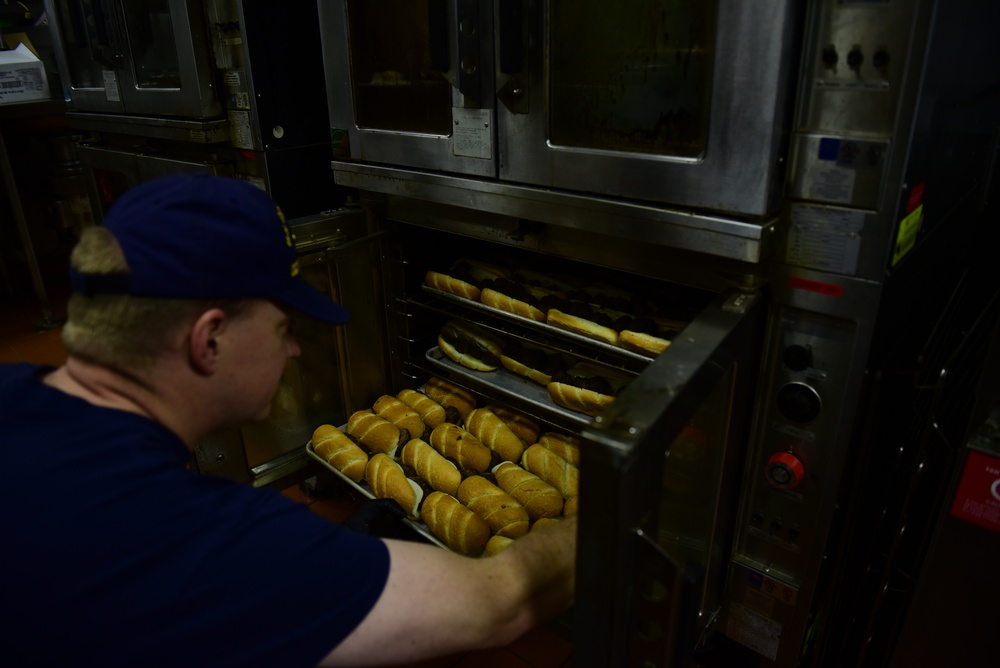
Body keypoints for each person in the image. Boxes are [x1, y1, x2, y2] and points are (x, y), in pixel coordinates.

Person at [1, 173, 577, 667]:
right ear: (210, 340)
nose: (294, 352)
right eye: (284, 329)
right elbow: (500, 602)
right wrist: (603, 513)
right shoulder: (203, 544)